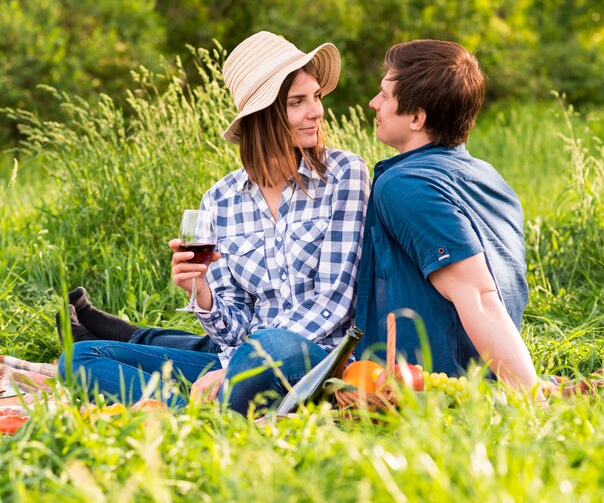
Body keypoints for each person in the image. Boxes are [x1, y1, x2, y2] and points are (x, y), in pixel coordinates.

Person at [58, 31, 370, 414]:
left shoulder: (344, 175)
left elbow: (333, 302)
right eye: (298, 102)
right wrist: (202, 293)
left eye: (316, 97)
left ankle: (204, 408)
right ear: (264, 115)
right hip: (237, 364)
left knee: (273, 343)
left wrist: (234, 368)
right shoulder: (220, 201)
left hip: (311, 361)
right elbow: (233, 329)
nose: (317, 111)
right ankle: (188, 414)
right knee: (80, 357)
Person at [354, 39, 542, 398]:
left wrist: (531, 393)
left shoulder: (405, 184)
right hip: (481, 369)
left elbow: (480, 295)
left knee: (269, 354)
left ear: (416, 118)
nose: (373, 103)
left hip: (431, 381)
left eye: (385, 95)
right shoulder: (486, 176)